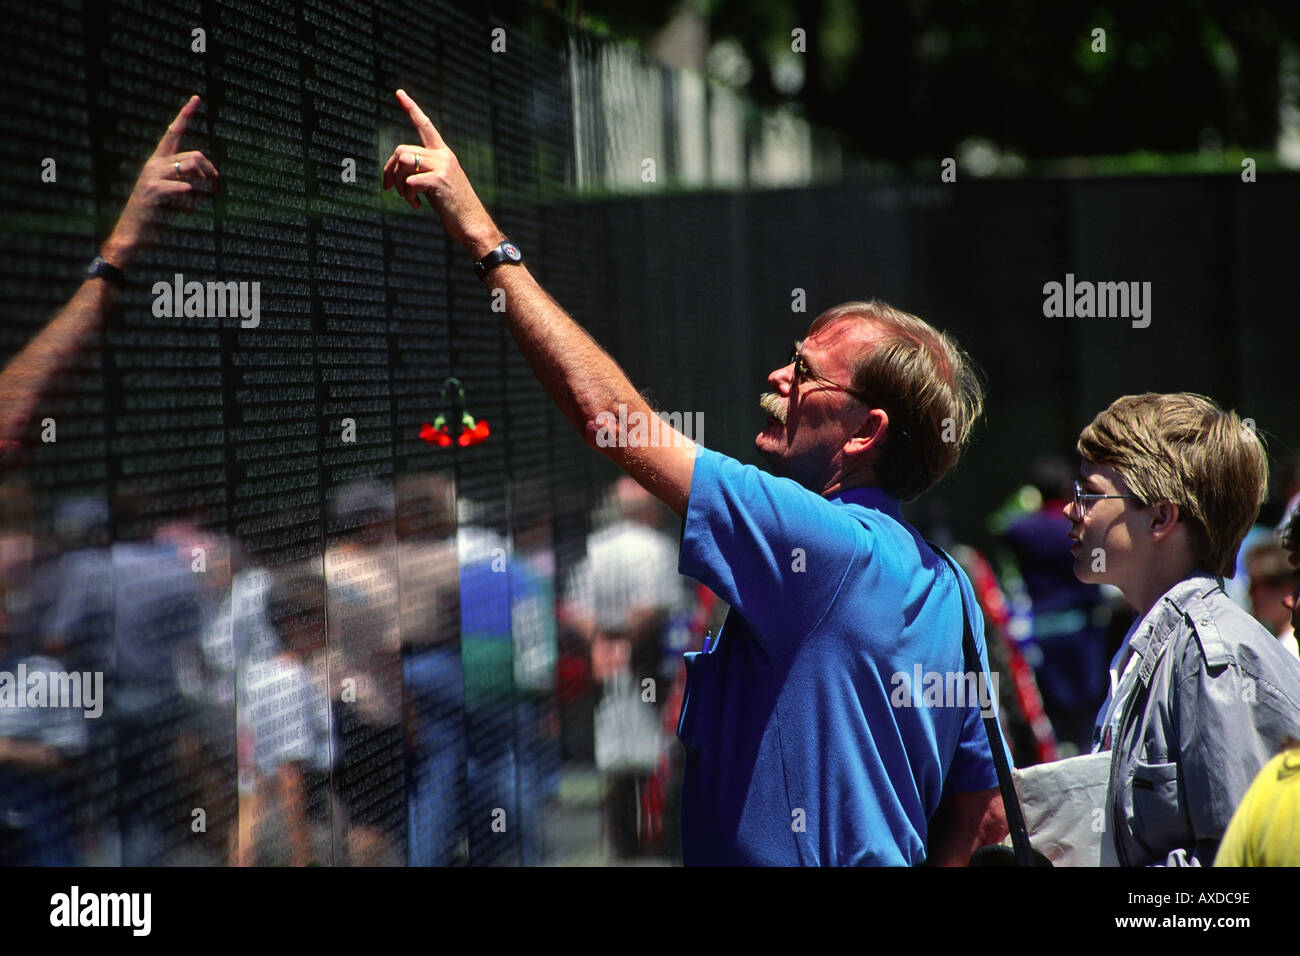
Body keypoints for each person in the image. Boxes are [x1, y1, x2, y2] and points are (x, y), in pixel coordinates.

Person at [382, 89, 1006, 865]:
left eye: (807, 375)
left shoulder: (818, 543)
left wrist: (484, 238)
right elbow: (980, 808)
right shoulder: (950, 587)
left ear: (865, 433)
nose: (778, 375)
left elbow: (610, 418)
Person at [1069, 393, 1300, 866]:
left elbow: (1241, 868)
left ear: (1160, 517)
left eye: (1089, 494)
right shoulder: (1152, 644)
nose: (1072, 511)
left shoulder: (1215, 659)